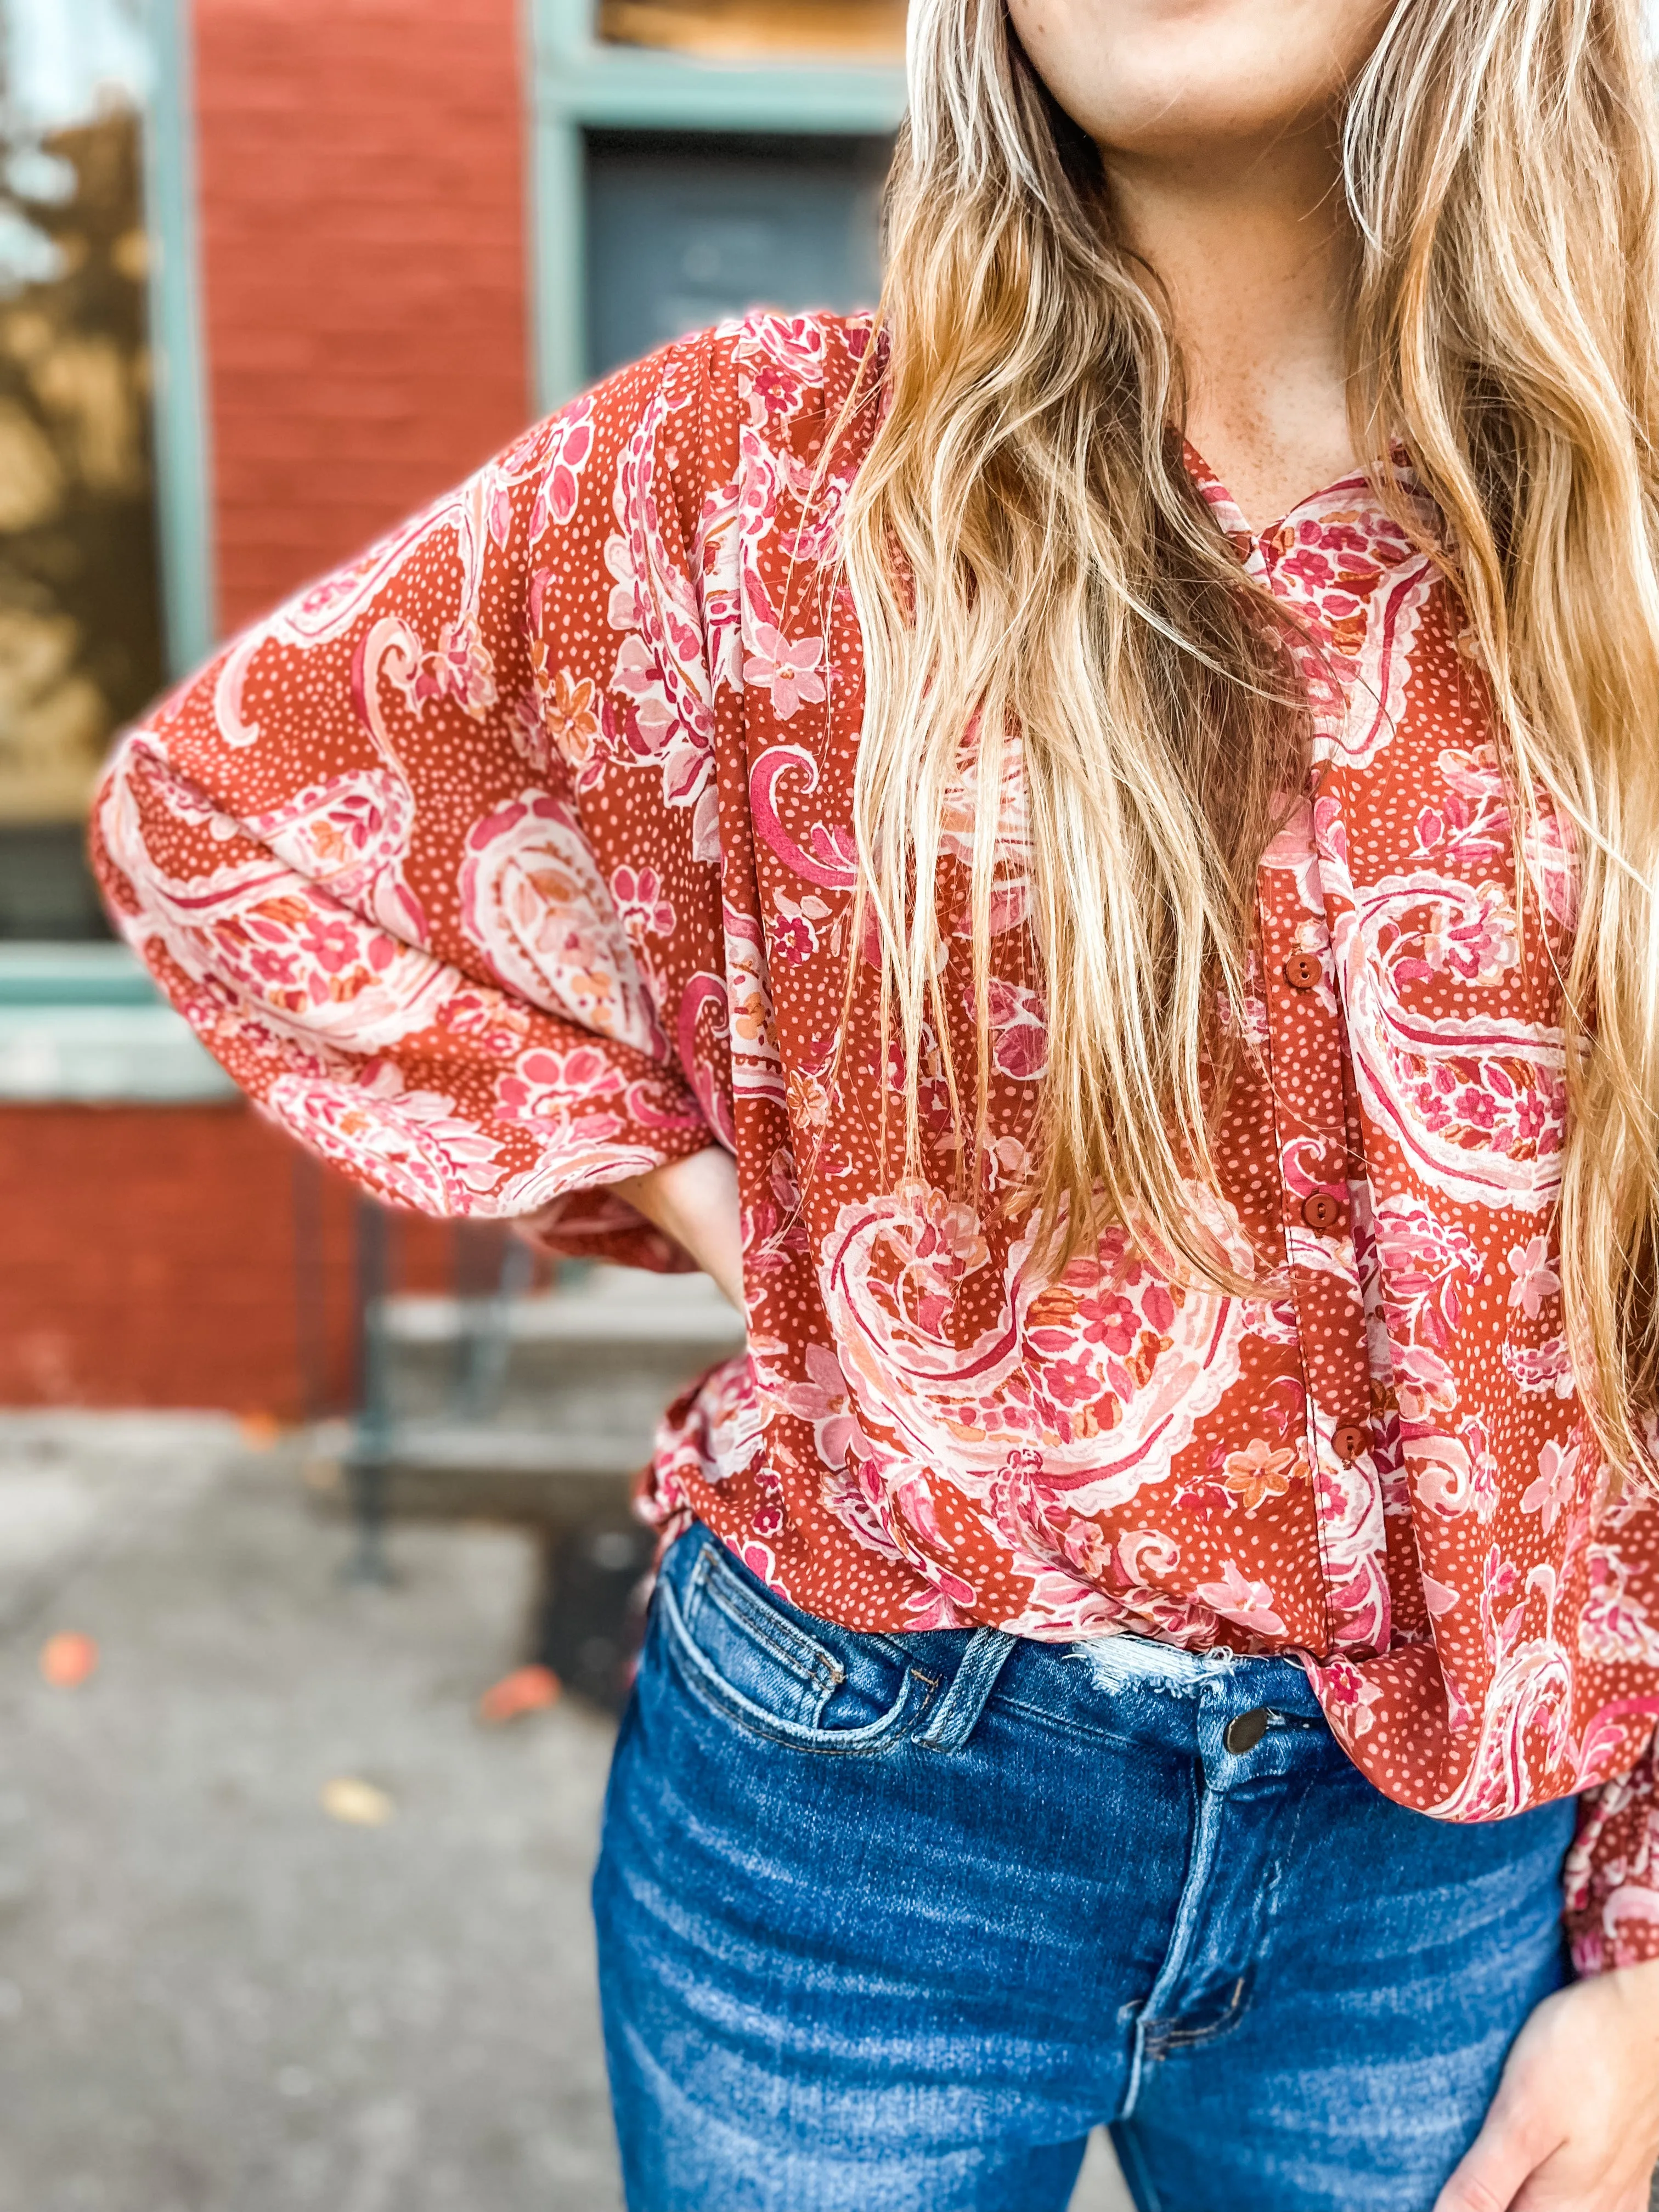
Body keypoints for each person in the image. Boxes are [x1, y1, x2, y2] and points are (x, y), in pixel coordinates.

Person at [93, 0, 1659, 2202]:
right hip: (855, 1822)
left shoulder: (1622, 545)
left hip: (1446, 1866)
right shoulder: (753, 478)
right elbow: (231, 819)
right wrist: (744, 1217)